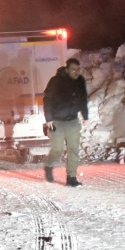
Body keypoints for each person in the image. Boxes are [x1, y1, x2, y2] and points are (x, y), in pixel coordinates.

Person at [42, 57, 89, 186]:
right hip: (57, 121)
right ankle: (49, 165)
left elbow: (83, 98)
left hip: (73, 120)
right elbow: (47, 100)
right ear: (67, 69)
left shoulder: (80, 81)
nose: (76, 72)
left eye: (78, 69)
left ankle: (71, 178)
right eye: (73, 69)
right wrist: (49, 119)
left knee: (73, 149)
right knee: (57, 149)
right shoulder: (56, 81)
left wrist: (85, 116)